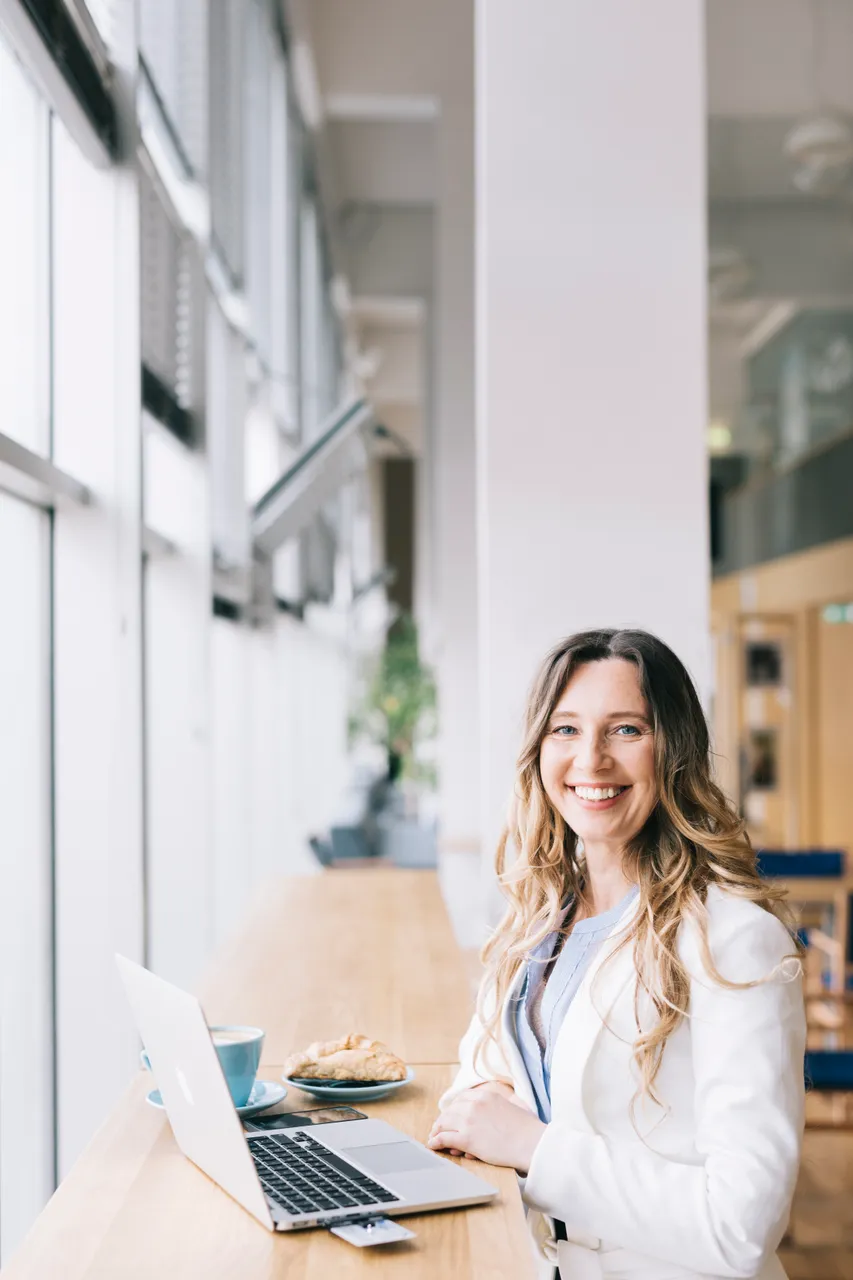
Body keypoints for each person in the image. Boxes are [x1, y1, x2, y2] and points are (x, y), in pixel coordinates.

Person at [428, 629, 805, 1280]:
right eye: (564, 729)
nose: (590, 760)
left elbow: (741, 1228)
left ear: (674, 750)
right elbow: (477, 1079)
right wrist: (488, 1107)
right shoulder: (542, 918)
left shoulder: (735, 942)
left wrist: (532, 1147)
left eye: (625, 730)